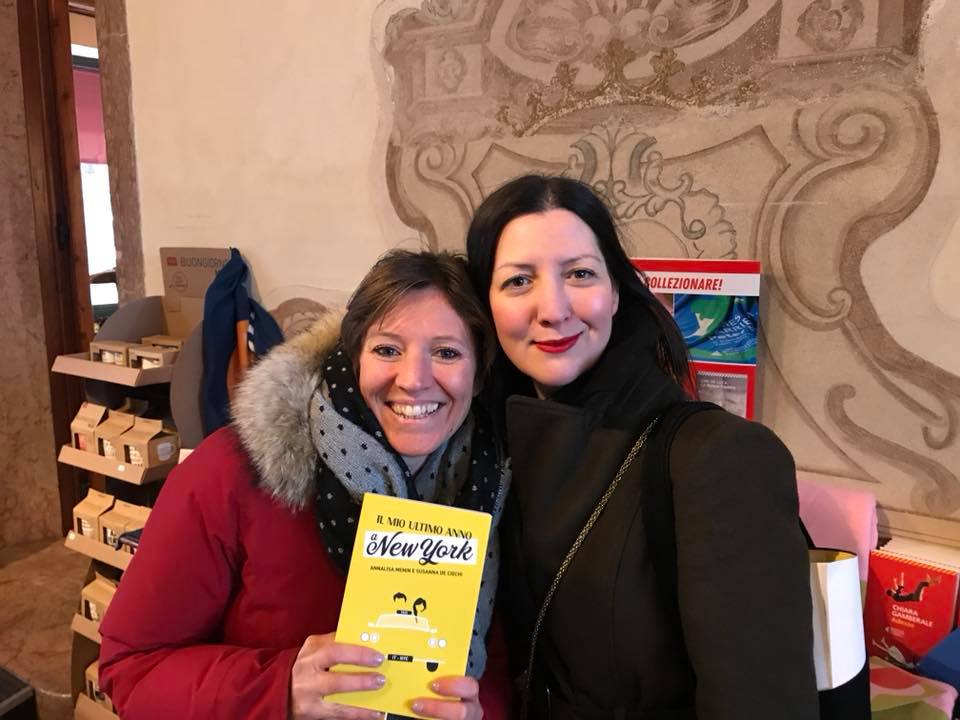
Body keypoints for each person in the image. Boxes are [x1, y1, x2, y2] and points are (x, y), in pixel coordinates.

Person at [98, 250, 512, 720]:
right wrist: (279, 690)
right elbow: (131, 669)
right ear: (353, 359)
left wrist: (480, 712)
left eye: (446, 352)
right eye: (387, 350)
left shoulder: (490, 486)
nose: (414, 380)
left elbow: (499, 675)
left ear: (479, 375)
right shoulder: (229, 472)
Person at [465, 175, 819, 718]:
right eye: (518, 281)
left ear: (616, 291)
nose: (553, 309)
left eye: (580, 273)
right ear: (484, 306)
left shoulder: (719, 458)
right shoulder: (486, 452)